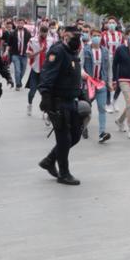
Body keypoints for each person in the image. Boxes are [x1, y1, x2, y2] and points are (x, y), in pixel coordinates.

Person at [38, 26, 85, 186]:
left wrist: (81, 93)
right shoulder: (57, 51)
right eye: (74, 36)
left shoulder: (72, 53)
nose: (77, 39)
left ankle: (50, 160)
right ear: (65, 35)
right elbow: (47, 75)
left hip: (71, 100)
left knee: (76, 136)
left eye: (79, 36)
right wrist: (45, 97)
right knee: (64, 139)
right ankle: (64, 174)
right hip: (58, 101)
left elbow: (73, 76)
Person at [82, 29, 111, 143]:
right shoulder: (85, 50)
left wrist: (109, 81)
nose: (97, 38)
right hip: (88, 84)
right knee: (87, 108)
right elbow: (80, 64)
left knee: (102, 108)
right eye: (94, 35)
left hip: (101, 84)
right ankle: (83, 126)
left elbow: (108, 68)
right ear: (90, 36)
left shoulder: (105, 51)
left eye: (99, 36)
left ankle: (102, 133)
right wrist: (82, 74)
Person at [112, 29, 130, 139]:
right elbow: (115, 64)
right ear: (126, 36)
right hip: (123, 79)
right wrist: (115, 80)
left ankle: (120, 120)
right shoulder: (120, 49)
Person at [26, 25, 53, 117]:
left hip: (46, 70)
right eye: (42, 32)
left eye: (45, 32)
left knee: (44, 92)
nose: (44, 34)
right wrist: (39, 51)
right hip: (35, 69)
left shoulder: (51, 41)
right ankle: (29, 105)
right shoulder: (32, 41)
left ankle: (45, 111)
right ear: (39, 31)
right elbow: (29, 56)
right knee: (32, 91)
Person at [6, 17, 32, 90]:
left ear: (24, 24)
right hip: (15, 54)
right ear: (17, 23)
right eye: (19, 23)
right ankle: (18, 84)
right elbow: (9, 44)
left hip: (24, 54)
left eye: (22, 23)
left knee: (23, 70)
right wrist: (6, 51)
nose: (20, 24)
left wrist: (31, 52)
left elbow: (31, 42)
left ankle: (19, 81)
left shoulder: (27, 32)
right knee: (17, 70)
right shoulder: (13, 33)